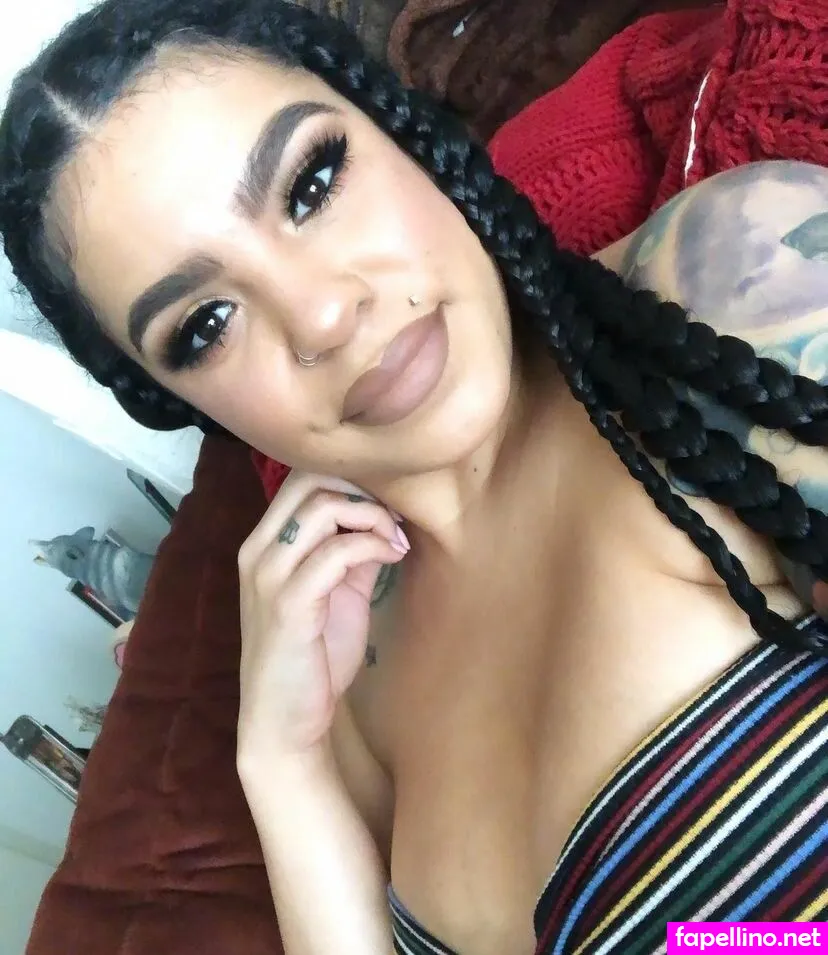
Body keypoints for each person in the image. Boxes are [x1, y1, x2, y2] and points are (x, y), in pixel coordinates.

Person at [0, 1, 826, 952]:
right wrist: (284, 768)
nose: (323, 315)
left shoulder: (740, 285)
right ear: (184, 402)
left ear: (401, 130)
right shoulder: (343, 678)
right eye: (206, 326)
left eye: (312, 184)